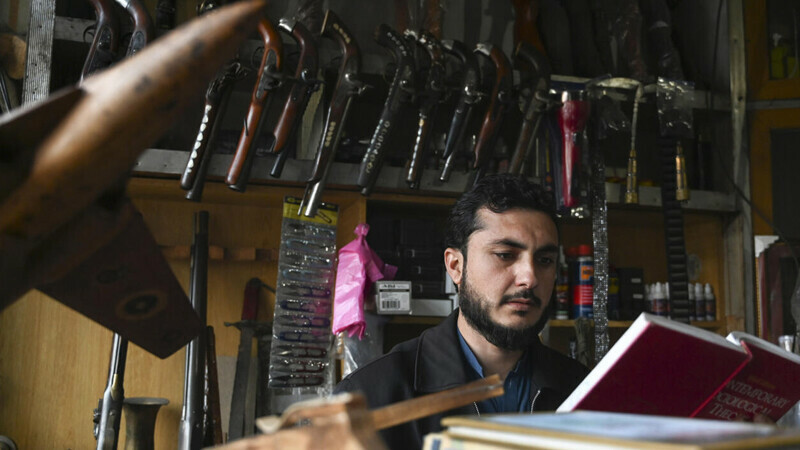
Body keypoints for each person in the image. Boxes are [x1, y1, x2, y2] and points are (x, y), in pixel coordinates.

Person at [334, 174, 589, 450]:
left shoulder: (583, 391)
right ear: (455, 266)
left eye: (545, 260)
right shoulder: (370, 397)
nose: (530, 277)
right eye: (505, 255)